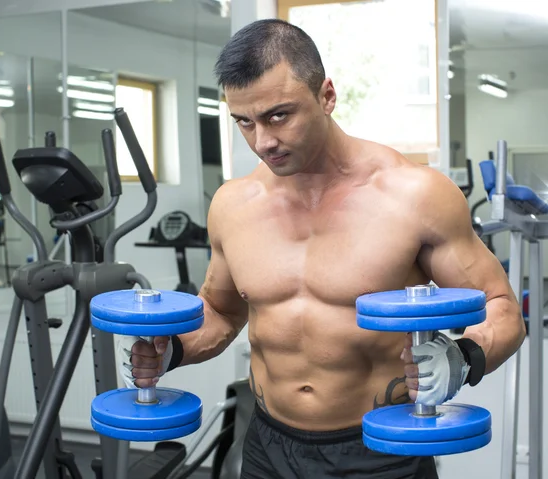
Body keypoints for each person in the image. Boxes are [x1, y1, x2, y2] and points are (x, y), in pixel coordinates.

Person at [120, 19, 526, 479]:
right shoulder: (233, 205)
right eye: (245, 123)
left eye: (279, 115)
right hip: (267, 446)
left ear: (327, 95)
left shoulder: (414, 196)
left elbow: (503, 308)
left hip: (380, 448)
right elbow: (221, 310)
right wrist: (172, 349)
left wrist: (463, 357)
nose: (263, 142)